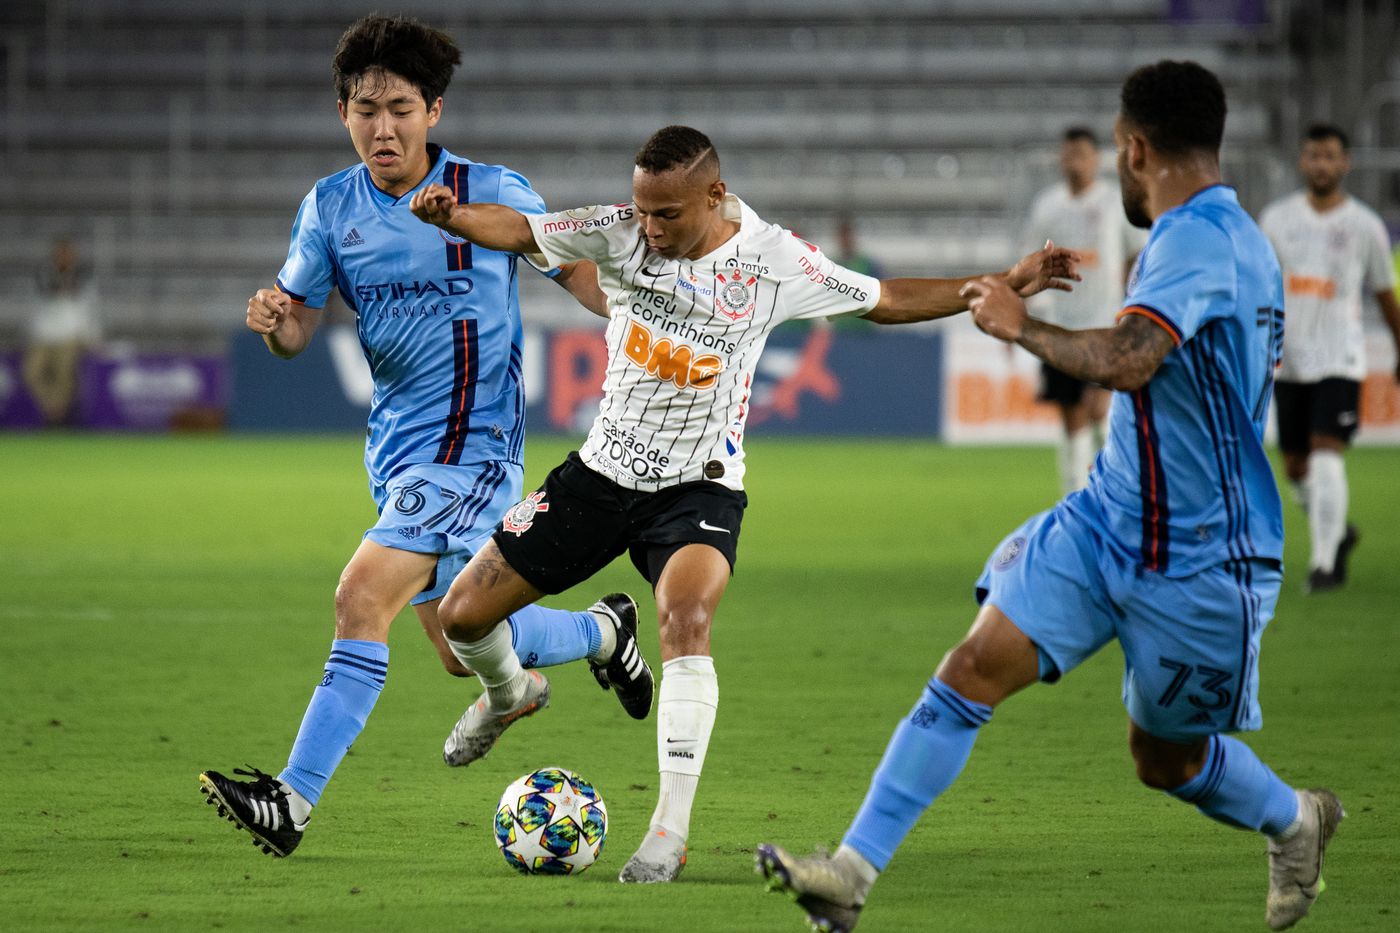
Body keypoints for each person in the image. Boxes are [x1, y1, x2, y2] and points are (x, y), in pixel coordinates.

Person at [407, 124, 1080, 883]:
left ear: (715, 195)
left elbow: (885, 298)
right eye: (643, 211)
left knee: (686, 620)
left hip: (700, 484)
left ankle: (668, 831)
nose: (651, 229)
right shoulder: (620, 230)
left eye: (668, 214)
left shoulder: (771, 259)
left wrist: (1001, 283)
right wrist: (453, 216)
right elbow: (524, 228)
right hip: (601, 473)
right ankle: (511, 692)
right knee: (463, 614)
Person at [758, 61, 1342, 933]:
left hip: (1204, 556)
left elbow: (1131, 360)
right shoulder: (1225, 238)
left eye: (1118, 151)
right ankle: (848, 873)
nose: (1118, 166)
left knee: (1165, 758)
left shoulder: (1198, 239)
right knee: (969, 670)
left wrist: (1019, 324)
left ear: (1135, 148)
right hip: (1109, 520)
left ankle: (1295, 818)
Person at [197, 14, 655, 859]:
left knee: (357, 595)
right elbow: (296, 327)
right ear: (343, 114)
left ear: (433, 110)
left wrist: (644, 316)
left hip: (474, 449)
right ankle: (603, 632)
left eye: (401, 107)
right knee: (458, 640)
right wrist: (273, 321)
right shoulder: (329, 208)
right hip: (398, 451)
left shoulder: (492, 191)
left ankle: (291, 803)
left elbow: (579, 271)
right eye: (366, 109)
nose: (384, 127)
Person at [1258, 124, 1400, 592]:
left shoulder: (1364, 225)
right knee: (1296, 467)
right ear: (1303, 161)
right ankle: (1339, 535)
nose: (1322, 164)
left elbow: (1384, 293)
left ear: (1345, 163)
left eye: (1330, 156)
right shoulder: (1276, 220)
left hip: (1341, 356)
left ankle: (1322, 566)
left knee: (1325, 454)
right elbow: (1258, 285)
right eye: (1313, 155)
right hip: (1289, 360)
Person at [1023, 127, 1147, 494]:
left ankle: (1115, 490)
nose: (1073, 161)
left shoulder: (1113, 201)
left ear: (1095, 159)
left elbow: (1135, 254)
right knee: (1071, 415)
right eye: (1068, 154)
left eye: (1081, 154)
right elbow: (1029, 260)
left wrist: (1131, 306)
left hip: (1105, 322)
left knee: (1100, 410)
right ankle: (1074, 495)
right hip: (1060, 324)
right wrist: (1029, 306)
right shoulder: (1047, 206)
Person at [23, 237, 100, 426]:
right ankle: (52, 408)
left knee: (64, 376)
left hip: (68, 333)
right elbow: (39, 298)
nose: (64, 258)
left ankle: (58, 417)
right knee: (31, 372)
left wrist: (91, 335)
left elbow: (88, 306)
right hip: (44, 333)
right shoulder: (44, 273)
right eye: (61, 254)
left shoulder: (83, 275)